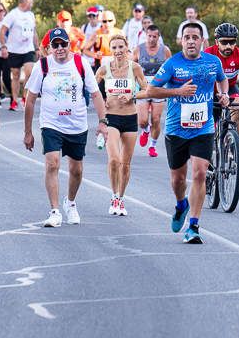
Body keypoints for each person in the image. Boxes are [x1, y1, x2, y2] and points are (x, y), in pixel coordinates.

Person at [147, 22, 229, 244]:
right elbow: (151, 90)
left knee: (200, 172)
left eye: (195, 37)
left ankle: (194, 226)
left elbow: (222, 79)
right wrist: (177, 91)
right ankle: (181, 203)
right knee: (178, 180)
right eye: (187, 37)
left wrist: (224, 94)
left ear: (202, 41)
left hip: (203, 127)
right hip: (176, 130)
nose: (191, 41)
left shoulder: (213, 62)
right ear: (181, 41)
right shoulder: (173, 64)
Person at [24, 28, 108, 228]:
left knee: (76, 169)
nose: (60, 48)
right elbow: (30, 100)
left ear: (69, 45)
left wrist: (103, 122)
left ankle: (70, 202)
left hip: (77, 124)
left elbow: (95, 94)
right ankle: (54, 211)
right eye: (56, 45)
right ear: (49, 48)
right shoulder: (42, 66)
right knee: (52, 163)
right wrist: (28, 132)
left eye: (63, 44)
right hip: (51, 123)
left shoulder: (81, 64)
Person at [94, 35, 149, 215]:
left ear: (127, 48)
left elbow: (146, 89)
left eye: (121, 47)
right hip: (112, 118)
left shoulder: (135, 68)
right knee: (114, 160)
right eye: (114, 48)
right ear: (111, 50)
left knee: (125, 164)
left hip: (130, 117)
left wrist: (133, 96)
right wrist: (102, 101)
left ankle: (121, 199)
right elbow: (92, 89)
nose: (118, 51)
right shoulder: (104, 69)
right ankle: (113, 195)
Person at [133, 24, 172, 157]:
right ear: (146, 35)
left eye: (154, 36)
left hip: (159, 87)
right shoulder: (138, 49)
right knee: (142, 121)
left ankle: (152, 146)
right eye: (149, 36)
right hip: (143, 86)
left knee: (156, 119)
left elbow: (171, 68)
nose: (151, 39)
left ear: (158, 37)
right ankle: (145, 130)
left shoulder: (165, 50)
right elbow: (131, 67)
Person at [0, 0, 38, 111]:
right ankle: (15, 100)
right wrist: (4, 46)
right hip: (14, 50)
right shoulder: (12, 15)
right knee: (15, 76)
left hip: (28, 49)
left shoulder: (31, 15)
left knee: (30, 72)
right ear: (23, 2)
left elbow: (34, 32)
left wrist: (37, 47)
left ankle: (25, 96)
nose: (31, 5)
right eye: (30, 2)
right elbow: (2, 31)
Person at [82, 9, 121, 75]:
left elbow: (127, 50)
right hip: (102, 70)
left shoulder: (120, 33)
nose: (107, 23)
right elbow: (85, 50)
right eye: (104, 21)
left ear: (114, 21)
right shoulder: (97, 34)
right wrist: (95, 55)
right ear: (101, 22)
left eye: (110, 21)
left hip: (118, 69)